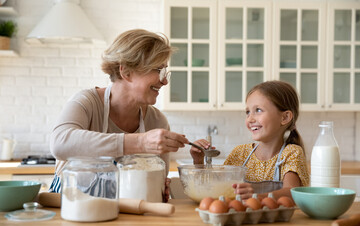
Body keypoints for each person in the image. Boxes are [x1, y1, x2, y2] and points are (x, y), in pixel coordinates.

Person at [49, 29, 189, 201]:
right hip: (71, 215)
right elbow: (60, 143)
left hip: (124, 220)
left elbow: (157, 185)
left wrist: (159, 188)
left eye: (165, 71)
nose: (165, 80)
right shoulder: (87, 103)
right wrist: (140, 142)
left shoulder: (157, 121)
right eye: (158, 70)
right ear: (126, 72)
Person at [191, 80, 309, 200]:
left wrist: (257, 197)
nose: (250, 119)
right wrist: (198, 161)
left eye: (258, 110)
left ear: (285, 117)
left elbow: (292, 192)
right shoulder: (240, 153)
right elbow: (214, 187)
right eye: (248, 112)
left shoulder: (291, 153)